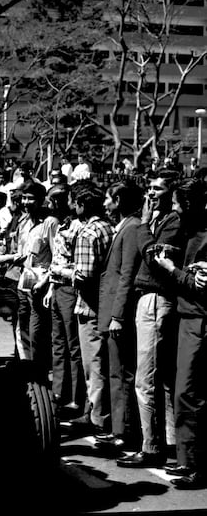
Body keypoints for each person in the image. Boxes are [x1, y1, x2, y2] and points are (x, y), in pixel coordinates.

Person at [118, 170, 184, 468]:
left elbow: (152, 256)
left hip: (156, 300)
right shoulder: (161, 219)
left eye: (158, 188)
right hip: (148, 299)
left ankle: (152, 447)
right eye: (150, 187)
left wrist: (144, 224)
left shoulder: (171, 221)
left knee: (146, 380)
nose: (151, 193)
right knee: (159, 378)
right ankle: (166, 440)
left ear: (171, 192)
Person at [152, 179, 207, 489]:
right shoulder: (192, 235)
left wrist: (171, 268)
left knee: (191, 392)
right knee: (182, 391)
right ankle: (187, 459)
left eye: (176, 204)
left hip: (198, 320)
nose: (173, 210)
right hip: (186, 319)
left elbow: (198, 286)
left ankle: (197, 463)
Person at [54, 182, 115, 434]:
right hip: (105, 303)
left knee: (94, 365)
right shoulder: (108, 227)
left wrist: (59, 271)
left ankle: (97, 417)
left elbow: (83, 275)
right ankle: (98, 413)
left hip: (89, 305)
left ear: (80, 204)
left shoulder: (88, 233)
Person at [95, 181, 144, 454]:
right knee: (115, 371)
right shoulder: (125, 226)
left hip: (119, 313)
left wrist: (117, 315)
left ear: (119, 199)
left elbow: (127, 275)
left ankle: (124, 431)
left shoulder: (132, 228)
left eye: (108, 198)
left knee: (121, 373)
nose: (105, 203)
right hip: (112, 310)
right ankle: (119, 428)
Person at [0, 180, 57, 371]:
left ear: (41, 200)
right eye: (24, 198)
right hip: (23, 281)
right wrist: (7, 258)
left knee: (37, 328)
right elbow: (22, 254)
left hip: (40, 285)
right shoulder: (23, 221)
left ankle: (40, 367)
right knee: (21, 325)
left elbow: (57, 256)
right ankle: (26, 365)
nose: (26, 203)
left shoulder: (50, 223)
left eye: (31, 199)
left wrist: (48, 283)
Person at [46, 185, 85, 416]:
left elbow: (75, 263)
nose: (50, 205)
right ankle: (59, 392)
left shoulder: (79, 227)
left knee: (73, 345)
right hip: (58, 287)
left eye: (55, 200)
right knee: (58, 343)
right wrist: (52, 284)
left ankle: (76, 397)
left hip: (71, 289)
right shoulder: (62, 224)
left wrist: (59, 273)